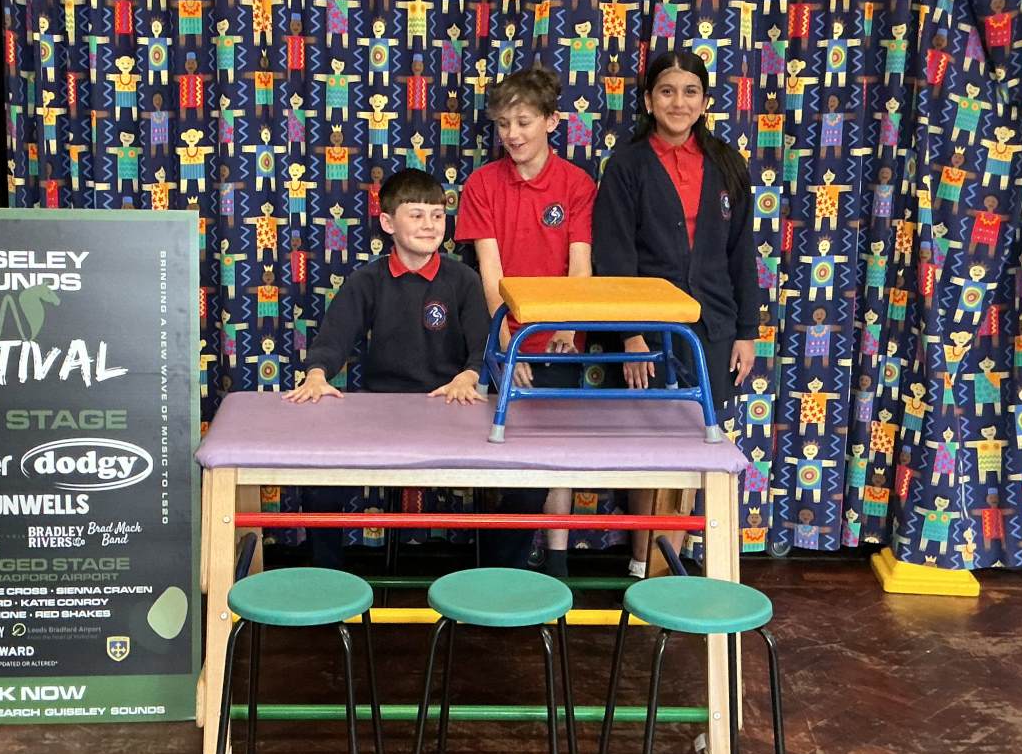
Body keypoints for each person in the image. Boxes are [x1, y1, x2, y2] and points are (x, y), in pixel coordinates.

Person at [290, 168, 533, 570]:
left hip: (453, 408)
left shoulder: (463, 279)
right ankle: (326, 578)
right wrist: (316, 374)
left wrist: (469, 375)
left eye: (437, 215)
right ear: (388, 223)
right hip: (382, 409)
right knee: (319, 482)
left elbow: (483, 347)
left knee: (526, 485)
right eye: (416, 215)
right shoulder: (367, 280)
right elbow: (333, 339)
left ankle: (500, 578)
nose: (429, 225)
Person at [593, 49, 760, 575]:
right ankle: (644, 565)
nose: (678, 102)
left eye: (690, 92)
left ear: (705, 102)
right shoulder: (627, 165)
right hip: (649, 328)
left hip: (713, 326)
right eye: (667, 91)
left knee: (697, 441)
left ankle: (674, 565)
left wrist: (746, 331)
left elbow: (741, 253)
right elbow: (614, 257)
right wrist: (631, 335)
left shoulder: (726, 164)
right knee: (650, 444)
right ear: (649, 100)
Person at [455, 66, 597, 578]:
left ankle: (555, 563)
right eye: (502, 124)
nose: (512, 135)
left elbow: (579, 267)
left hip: (560, 335)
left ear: (551, 121)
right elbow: (490, 273)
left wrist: (565, 328)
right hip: (506, 334)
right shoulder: (482, 184)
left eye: (523, 122)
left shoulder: (577, 184)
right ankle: (501, 572)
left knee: (555, 450)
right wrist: (506, 344)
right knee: (506, 451)